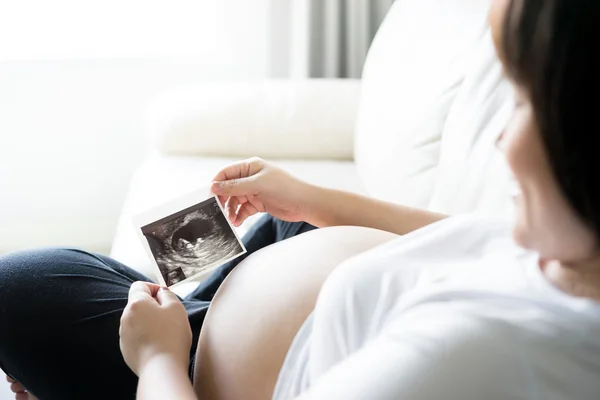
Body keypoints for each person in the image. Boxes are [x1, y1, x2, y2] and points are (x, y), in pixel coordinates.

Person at [3, 0, 600, 398]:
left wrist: (156, 360)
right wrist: (311, 201)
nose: (498, 135)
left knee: (17, 289)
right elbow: (466, 234)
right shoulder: (572, 258)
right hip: (290, 282)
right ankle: (177, 302)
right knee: (200, 246)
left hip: (197, 368)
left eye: (522, 104)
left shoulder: (472, 352)